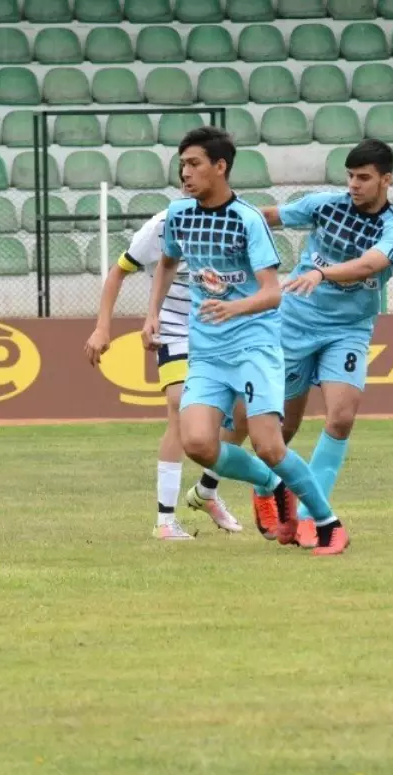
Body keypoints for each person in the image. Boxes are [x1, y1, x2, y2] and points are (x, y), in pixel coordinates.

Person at [143, 126, 350, 556]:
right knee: (198, 442)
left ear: (220, 167)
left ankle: (329, 523)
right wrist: (153, 315)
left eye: (194, 164)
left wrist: (233, 308)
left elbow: (273, 292)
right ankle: (272, 484)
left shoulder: (248, 220)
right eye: (182, 165)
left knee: (270, 445)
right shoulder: (179, 215)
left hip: (253, 346)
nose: (185, 173)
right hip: (208, 351)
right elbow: (166, 264)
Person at [254, 139, 393, 552]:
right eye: (350, 176)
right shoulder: (325, 204)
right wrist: (222, 218)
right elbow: (271, 216)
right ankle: (267, 486)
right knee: (279, 432)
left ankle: (310, 517)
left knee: (341, 418)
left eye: (364, 177)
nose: (354, 185)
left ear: (386, 179)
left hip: (349, 331)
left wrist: (323, 274)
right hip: (294, 325)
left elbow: (369, 265)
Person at [85, 208, 251, 541]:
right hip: (174, 328)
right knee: (179, 408)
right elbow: (118, 272)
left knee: (243, 414)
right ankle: (165, 521)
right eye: (186, 168)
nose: (190, 177)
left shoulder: (237, 219)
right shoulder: (160, 227)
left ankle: (206, 490)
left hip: (222, 326)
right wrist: (103, 327)